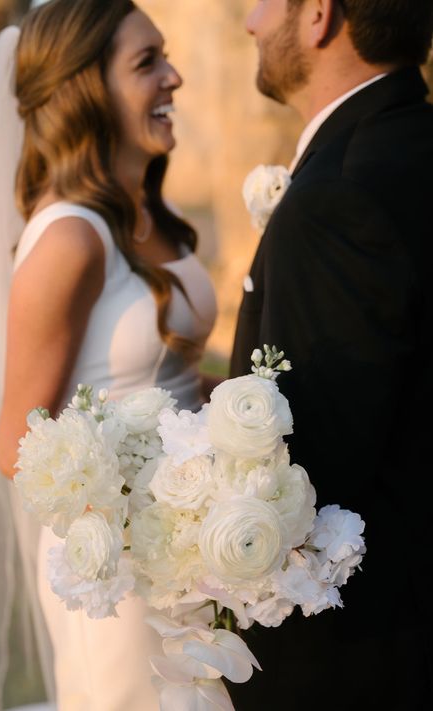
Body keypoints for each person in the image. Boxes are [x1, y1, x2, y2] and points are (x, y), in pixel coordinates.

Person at [0, 1, 217, 709]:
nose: (175, 76)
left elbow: (171, 380)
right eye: (147, 63)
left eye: (165, 55)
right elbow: (20, 447)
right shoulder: (69, 241)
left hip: (204, 550)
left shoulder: (145, 216)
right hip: (120, 578)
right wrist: (171, 494)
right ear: (86, 89)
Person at [230, 0, 433, 709]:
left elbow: (311, 479)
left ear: (318, 14)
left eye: (260, 2)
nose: (249, 22)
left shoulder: (334, 197)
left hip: (363, 660)